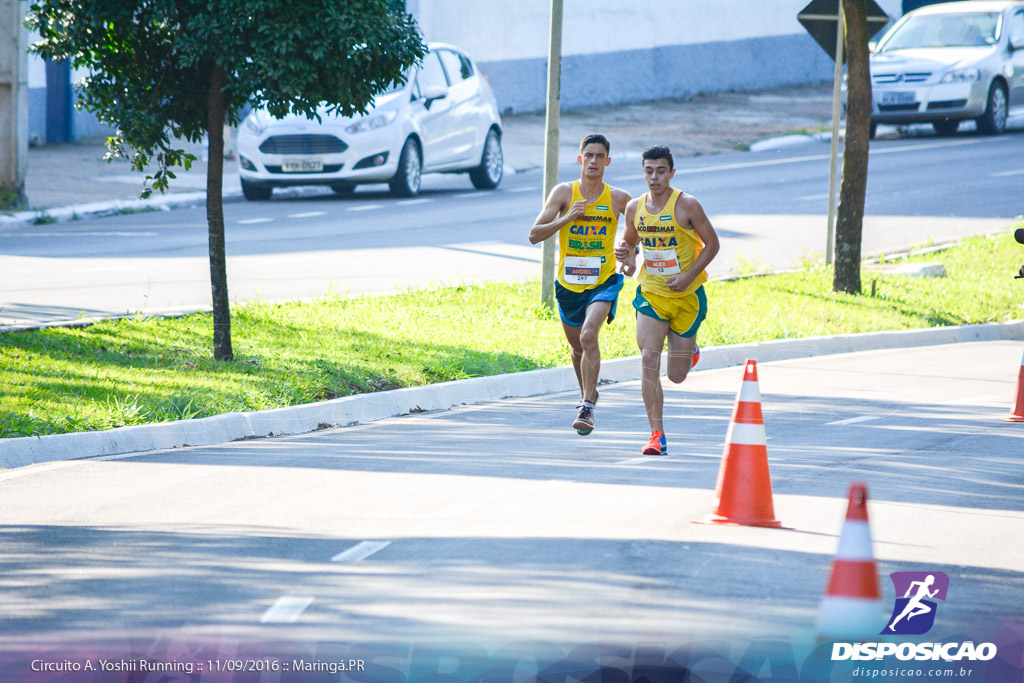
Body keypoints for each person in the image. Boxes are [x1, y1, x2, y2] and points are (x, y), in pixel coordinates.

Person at [614, 145, 719, 455]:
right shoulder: (635, 207)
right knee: (648, 359)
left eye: (661, 171)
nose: (654, 177)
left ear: (672, 173)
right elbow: (630, 241)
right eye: (648, 170)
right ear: (643, 172)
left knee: (676, 375)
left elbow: (712, 245)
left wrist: (688, 276)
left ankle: (690, 350)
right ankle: (656, 434)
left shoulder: (687, 205)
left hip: (687, 296)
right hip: (651, 294)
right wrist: (628, 257)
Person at [529, 134, 631, 435]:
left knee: (589, 336)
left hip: (604, 282)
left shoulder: (618, 198)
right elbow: (534, 234)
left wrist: (629, 250)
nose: (594, 161)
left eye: (600, 156)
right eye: (589, 155)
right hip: (568, 284)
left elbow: (638, 229)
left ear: (607, 161)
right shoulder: (563, 193)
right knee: (576, 349)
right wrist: (566, 218)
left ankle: (586, 406)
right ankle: (589, 392)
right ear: (580, 159)